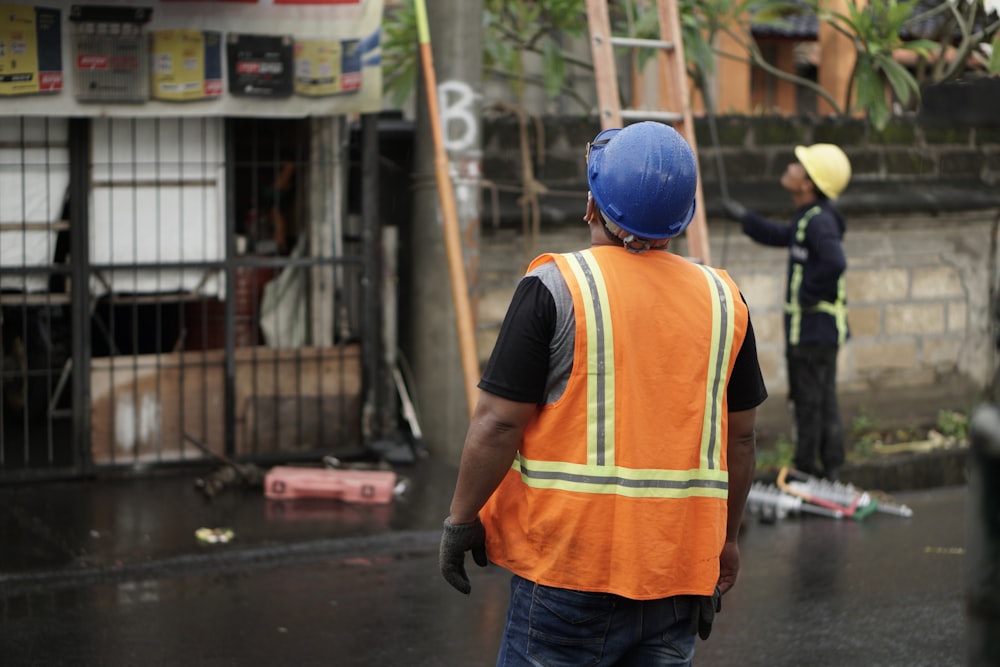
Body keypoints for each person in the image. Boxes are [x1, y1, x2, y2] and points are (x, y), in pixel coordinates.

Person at [439, 121, 767, 667]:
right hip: (677, 575)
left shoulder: (557, 287)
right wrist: (723, 545)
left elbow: (497, 424)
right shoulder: (724, 299)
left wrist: (461, 517)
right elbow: (743, 439)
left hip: (569, 572)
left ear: (593, 203)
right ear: (680, 220)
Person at [721, 143, 851, 481]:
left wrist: (807, 295)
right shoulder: (810, 218)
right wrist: (744, 219)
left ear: (808, 183)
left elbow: (835, 262)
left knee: (811, 402)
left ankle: (809, 470)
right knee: (818, 400)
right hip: (815, 331)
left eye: (798, 165)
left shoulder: (818, 221)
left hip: (814, 330)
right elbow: (781, 235)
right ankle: (828, 468)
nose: (791, 167)